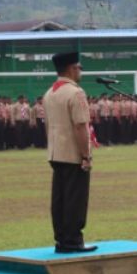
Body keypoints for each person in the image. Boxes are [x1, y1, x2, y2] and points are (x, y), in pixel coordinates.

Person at [42, 52, 96, 253]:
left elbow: (47, 125)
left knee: (60, 199)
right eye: (79, 68)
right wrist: (85, 155)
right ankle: (73, 240)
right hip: (72, 153)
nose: (80, 71)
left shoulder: (50, 93)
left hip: (56, 151)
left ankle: (62, 239)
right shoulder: (75, 93)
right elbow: (80, 126)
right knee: (75, 199)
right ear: (72, 69)